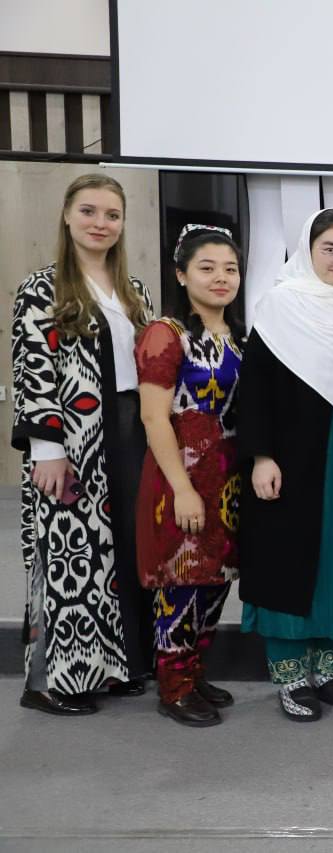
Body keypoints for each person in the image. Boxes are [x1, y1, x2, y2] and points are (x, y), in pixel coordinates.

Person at [12, 173, 154, 715]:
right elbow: (32, 369)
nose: (101, 223)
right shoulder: (42, 288)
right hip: (72, 437)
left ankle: (111, 668)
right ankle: (48, 682)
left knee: (118, 552)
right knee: (68, 557)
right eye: (89, 211)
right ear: (68, 216)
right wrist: (47, 449)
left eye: (112, 215)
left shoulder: (133, 290)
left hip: (130, 433)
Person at [237, 208, 333, 722]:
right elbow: (256, 388)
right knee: (286, 562)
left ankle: (328, 671)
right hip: (288, 460)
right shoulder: (280, 305)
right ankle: (291, 677)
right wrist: (261, 456)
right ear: (307, 250)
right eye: (330, 249)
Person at [135, 225, 244, 727]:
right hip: (181, 475)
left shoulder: (237, 335)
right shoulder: (166, 333)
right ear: (181, 274)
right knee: (180, 580)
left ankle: (194, 672)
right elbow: (153, 416)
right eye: (207, 268)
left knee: (215, 580)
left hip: (227, 478)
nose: (221, 278)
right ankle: (173, 686)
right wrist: (181, 488)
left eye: (230, 269)